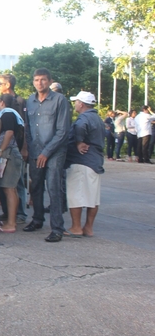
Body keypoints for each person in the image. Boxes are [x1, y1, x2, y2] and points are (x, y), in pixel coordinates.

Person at [24, 68, 71, 242]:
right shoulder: (30, 100)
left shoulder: (59, 100)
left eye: (43, 80)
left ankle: (57, 228)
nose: (39, 83)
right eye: (36, 80)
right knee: (35, 186)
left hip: (54, 151)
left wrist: (46, 152)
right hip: (35, 151)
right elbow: (28, 127)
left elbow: (63, 131)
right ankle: (37, 220)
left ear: (50, 81)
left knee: (54, 188)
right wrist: (29, 148)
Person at [65, 91, 105, 237]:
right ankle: (88, 227)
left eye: (76, 102)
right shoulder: (97, 118)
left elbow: (80, 127)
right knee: (92, 196)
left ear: (81, 103)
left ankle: (76, 226)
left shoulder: (84, 118)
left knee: (76, 194)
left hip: (81, 161)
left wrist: (79, 141)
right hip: (95, 161)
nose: (75, 104)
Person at [0, 94, 25, 233]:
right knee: (8, 188)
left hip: (9, 153)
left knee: (9, 188)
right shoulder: (15, 114)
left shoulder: (6, 114)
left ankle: (11, 223)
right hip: (12, 152)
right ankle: (10, 219)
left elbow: (9, 132)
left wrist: (1, 149)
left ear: (1, 102)